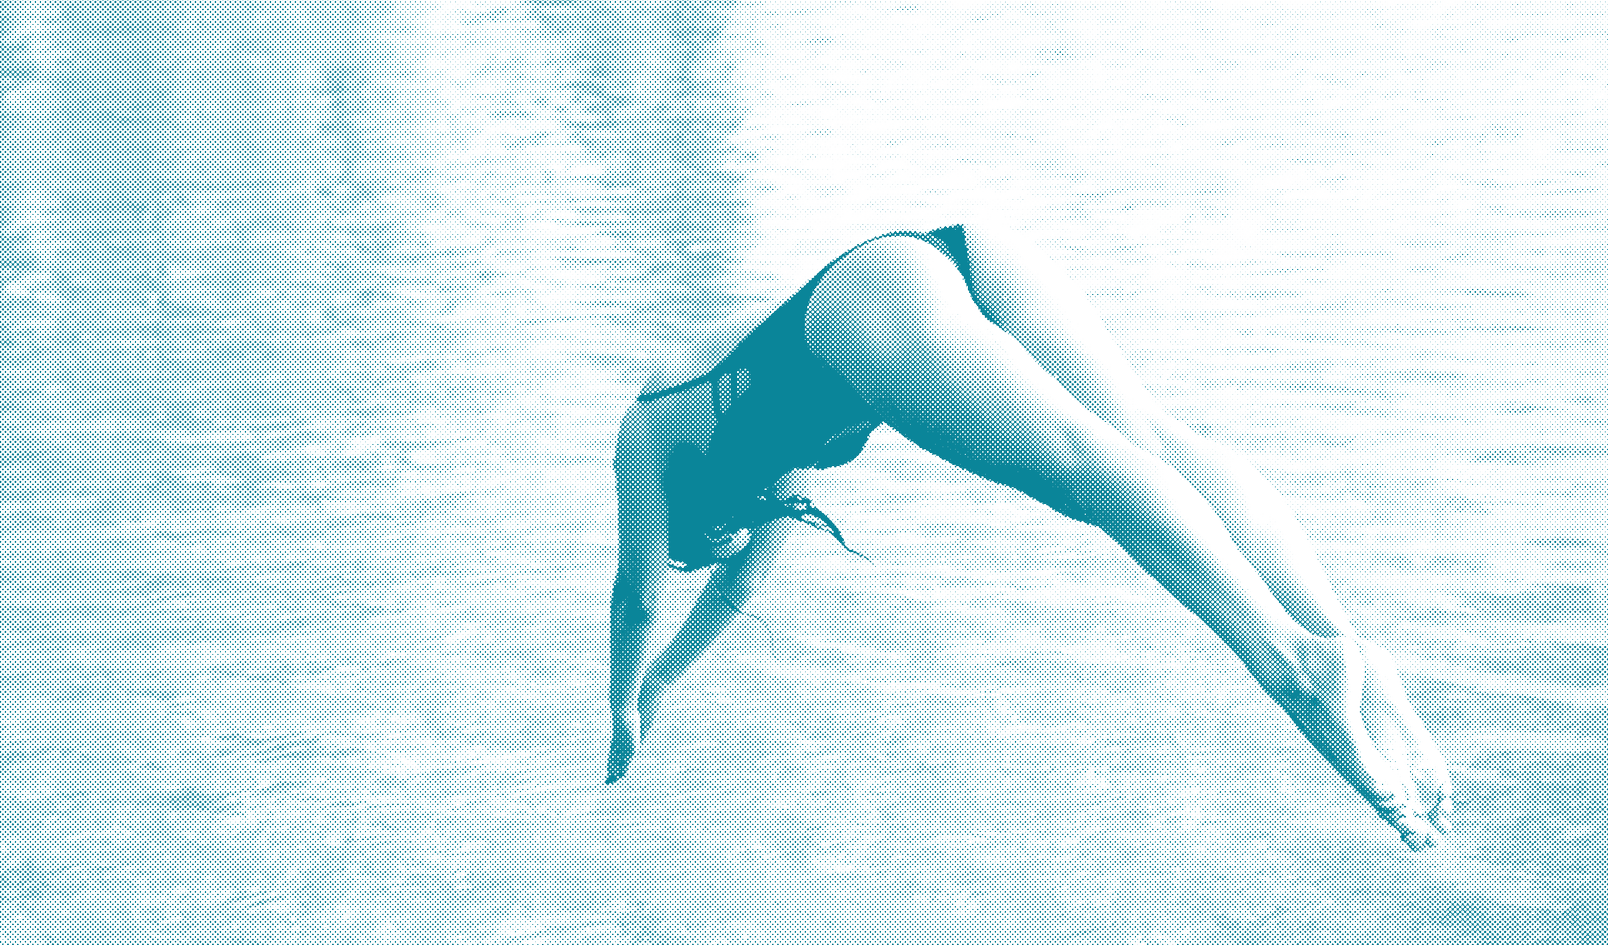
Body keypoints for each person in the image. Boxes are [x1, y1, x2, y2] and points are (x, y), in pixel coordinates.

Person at [605, 221, 1452, 845]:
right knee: (1160, 443)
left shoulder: (653, 431)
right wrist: (662, 685)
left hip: (869, 314)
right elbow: (724, 590)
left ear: (699, 517)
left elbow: (636, 598)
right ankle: (1340, 640)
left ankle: (1294, 658)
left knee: (1112, 484)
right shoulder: (737, 442)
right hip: (947, 248)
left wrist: (624, 707)